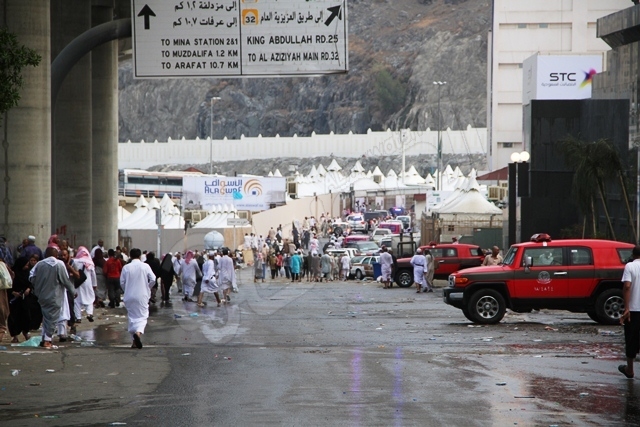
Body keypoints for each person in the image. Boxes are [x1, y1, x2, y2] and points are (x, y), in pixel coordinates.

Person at [29, 246, 75, 348]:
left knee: (46, 317)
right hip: (55, 296)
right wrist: (73, 291)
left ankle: (44, 338)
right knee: (53, 319)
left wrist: (38, 287)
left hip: (42, 296)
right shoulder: (59, 264)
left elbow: (31, 277)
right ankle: (47, 340)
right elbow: (65, 280)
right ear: (56, 255)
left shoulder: (39, 264)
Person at [120, 248, 156, 349]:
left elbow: (122, 282)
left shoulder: (126, 267)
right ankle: (138, 334)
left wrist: (126, 290)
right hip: (142, 295)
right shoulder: (145, 266)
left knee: (132, 317)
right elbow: (153, 279)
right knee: (142, 317)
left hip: (129, 296)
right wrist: (147, 287)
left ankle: (134, 342)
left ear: (130, 256)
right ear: (140, 256)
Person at [8, 254, 42, 343]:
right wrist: (13, 292)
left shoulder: (27, 273)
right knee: (13, 317)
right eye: (26, 265)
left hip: (25, 298)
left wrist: (28, 289)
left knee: (26, 316)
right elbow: (7, 285)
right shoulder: (12, 273)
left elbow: (31, 283)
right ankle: (14, 336)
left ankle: (25, 332)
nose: (27, 266)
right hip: (14, 300)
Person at [619, 245, 640, 378]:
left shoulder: (630, 266)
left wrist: (626, 308)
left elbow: (627, 286)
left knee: (631, 339)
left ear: (633, 255)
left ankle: (630, 369)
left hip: (633, 310)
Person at [73, 246, 97, 323]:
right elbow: (93, 275)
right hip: (88, 282)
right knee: (89, 298)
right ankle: (89, 313)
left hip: (78, 283)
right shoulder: (90, 262)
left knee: (77, 300)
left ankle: (78, 317)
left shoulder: (75, 261)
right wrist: (94, 284)